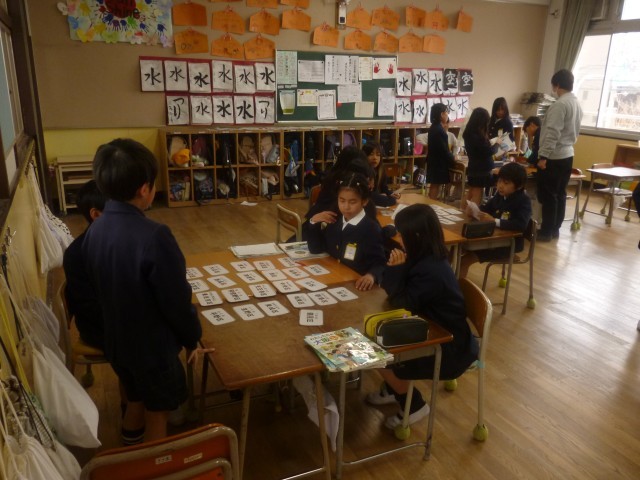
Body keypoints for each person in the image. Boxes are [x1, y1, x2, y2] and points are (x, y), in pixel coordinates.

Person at [82, 138, 202, 444]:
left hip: (117, 340)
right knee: (158, 412)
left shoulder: (95, 229)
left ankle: (130, 447)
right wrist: (192, 338)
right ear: (144, 189)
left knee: (135, 399)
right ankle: (154, 462)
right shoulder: (155, 235)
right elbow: (176, 300)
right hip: (151, 349)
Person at [365, 204, 479, 428]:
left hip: (447, 348)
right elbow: (399, 296)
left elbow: (401, 302)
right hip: (431, 327)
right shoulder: (424, 256)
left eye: (402, 234)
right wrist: (396, 270)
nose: (398, 238)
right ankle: (394, 388)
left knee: (370, 351)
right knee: (371, 332)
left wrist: (396, 269)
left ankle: (413, 405)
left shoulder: (431, 270)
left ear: (416, 237)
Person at [307, 172, 386, 291]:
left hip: (355, 285)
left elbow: (379, 262)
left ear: (364, 201)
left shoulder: (371, 229)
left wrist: (371, 275)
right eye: (342, 201)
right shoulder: (335, 220)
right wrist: (314, 222)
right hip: (332, 278)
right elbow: (316, 248)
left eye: (352, 202)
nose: (346, 207)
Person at [459, 163, 532, 277]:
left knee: (464, 261)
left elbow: (521, 225)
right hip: (492, 238)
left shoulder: (523, 200)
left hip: (508, 245)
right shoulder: (500, 195)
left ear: (519, 186)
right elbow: (487, 208)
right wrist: (474, 210)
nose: (500, 186)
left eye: (506, 183)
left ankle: (456, 287)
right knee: (454, 252)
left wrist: (494, 221)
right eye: (499, 181)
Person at [536, 69, 583, 242]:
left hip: (554, 156)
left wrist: (543, 156)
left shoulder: (560, 105)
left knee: (549, 195)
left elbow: (553, 132)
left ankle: (546, 230)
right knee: (560, 193)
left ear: (556, 85)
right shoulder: (576, 103)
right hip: (568, 154)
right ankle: (555, 228)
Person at [63, 180, 106, 350]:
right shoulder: (77, 254)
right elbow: (89, 308)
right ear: (96, 214)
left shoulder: (123, 239)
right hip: (101, 330)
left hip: (123, 319)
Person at [463, 107, 504, 208]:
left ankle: (462, 211)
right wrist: (497, 144)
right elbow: (488, 151)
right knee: (477, 193)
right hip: (481, 169)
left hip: (474, 166)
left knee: (471, 191)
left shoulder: (469, 133)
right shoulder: (477, 136)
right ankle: (471, 214)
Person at [425, 103, 455, 200]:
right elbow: (444, 149)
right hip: (438, 163)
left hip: (434, 161)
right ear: (442, 114)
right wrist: (453, 158)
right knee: (435, 185)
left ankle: (431, 204)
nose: (447, 115)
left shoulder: (435, 127)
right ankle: (431, 205)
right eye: (446, 112)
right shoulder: (438, 130)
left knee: (435, 185)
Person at [363, 141, 399, 207]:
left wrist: (392, 194)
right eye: (371, 154)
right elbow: (369, 195)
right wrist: (385, 197)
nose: (375, 158)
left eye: (378, 155)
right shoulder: (363, 173)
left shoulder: (381, 170)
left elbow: (384, 188)